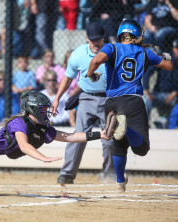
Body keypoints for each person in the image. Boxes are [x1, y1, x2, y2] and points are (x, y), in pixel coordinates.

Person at [86, 19, 173, 192]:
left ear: (120, 34)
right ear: (137, 34)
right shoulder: (144, 52)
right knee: (141, 148)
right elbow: (169, 66)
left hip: (111, 102)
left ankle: (120, 182)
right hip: (133, 101)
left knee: (119, 145)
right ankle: (125, 128)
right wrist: (164, 56)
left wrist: (91, 74)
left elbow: (96, 61)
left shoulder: (112, 47)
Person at [52, 22, 115, 185]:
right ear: (87, 38)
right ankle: (67, 173)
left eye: (99, 39)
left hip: (109, 99)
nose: (96, 43)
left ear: (104, 38)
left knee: (109, 140)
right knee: (78, 135)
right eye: (93, 40)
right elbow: (68, 78)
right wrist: (57, 97)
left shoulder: (112, 52)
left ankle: (109, 174)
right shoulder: (78, 54)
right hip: (86, 98)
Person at [142, 39, 178, 127]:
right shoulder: (167, 59)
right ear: (174, 49)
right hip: (158, 94)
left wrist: (175, 93)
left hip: (175, 97)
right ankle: (144, 126)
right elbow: (148, 72)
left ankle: (171, 125)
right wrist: (146, 89)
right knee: (146, 100)